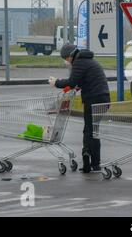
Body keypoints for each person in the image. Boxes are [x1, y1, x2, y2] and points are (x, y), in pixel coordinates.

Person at [49, 44, 110, 173]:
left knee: (89, 131)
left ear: (71, 55)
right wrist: (77, 87)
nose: (67, 62)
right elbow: (82, 80)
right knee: (93, 130)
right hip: (102, 98)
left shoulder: (79, 62)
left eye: (66, 59)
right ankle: (94, 163)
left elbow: (71, 81)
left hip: (94, 99)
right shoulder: (88, 60)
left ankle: (89, 161)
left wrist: (56, 83)